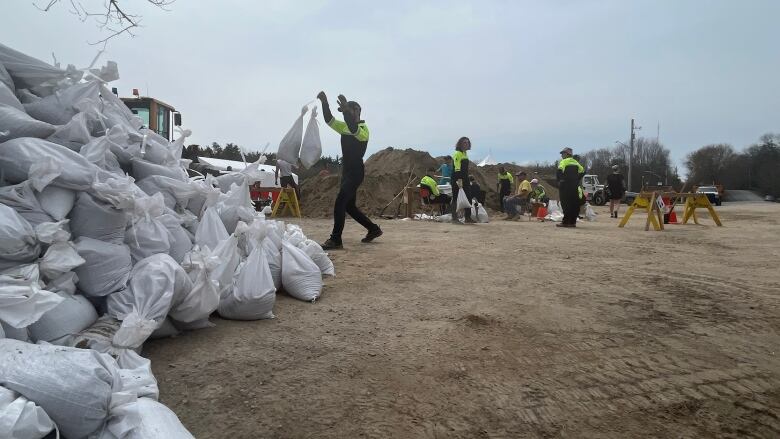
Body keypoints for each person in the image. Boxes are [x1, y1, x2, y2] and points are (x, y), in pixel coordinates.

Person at [317, 91, 382, 250]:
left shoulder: (363, 129)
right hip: (346, 172)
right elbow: (329, 120)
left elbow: (354, 129)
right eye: (345, 112)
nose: (346, 114)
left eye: (348, 111)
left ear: (357, 111)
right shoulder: (345, 127)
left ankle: (336, 239)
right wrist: (324, 102)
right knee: (349, 207)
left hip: (355, 172)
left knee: (340, 202)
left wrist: (346, 111)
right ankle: (373, 229)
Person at [450, 137, 477, 224]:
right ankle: (454, 218)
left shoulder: (465, 154)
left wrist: (466, 179)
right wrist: (459, 180)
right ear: (460, 143)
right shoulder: (457, 153)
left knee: (468, 196)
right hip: (457, 178)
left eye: (468, 142)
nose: (466, 144)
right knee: (455, 197)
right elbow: (457, 168)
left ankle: (468, 217)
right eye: (464, 142)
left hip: (465, 178)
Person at [556, 147, 584, 227]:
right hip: (574, 186)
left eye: (562, 153)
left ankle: (565, 222)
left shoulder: (564, 161)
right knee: (574, 204)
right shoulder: (576, 162)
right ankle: (572, 222)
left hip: (565, 186)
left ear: (567, 154)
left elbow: (559, 171)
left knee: (566, 204)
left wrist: (560, 181)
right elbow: (583, 171)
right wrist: (577, 179)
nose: (561, 155)